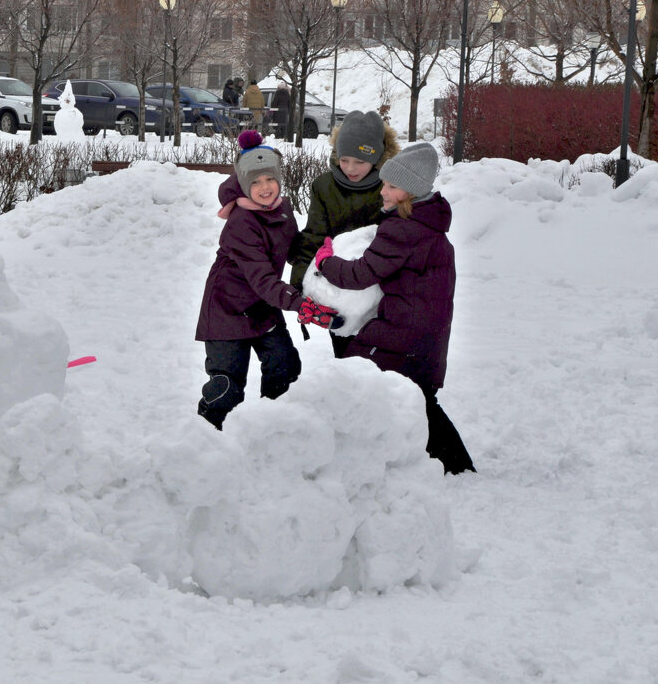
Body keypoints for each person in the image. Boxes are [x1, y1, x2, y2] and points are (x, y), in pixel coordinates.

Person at [311, 142, 475, 474]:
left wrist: (325, 261)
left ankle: (449, 466)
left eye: (392, 186)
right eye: (384, 183)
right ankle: (454, 464)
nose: (383, 192)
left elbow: (359, 274)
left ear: (411, 192)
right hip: (423, 336)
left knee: (356, 378)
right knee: (418, 398)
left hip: (404, 335)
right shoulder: (429, 225)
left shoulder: (403, 230)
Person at [195, 130, 338, 430]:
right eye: (255, 182)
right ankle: (206, 443)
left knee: (284, 367)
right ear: (245, 185)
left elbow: (292, 249)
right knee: (227, 387)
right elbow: (262, 278)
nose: (265, 188)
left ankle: (270, 430)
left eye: (270, 179)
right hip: (227, 310)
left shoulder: (283, 209)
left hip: (262, 305)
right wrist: (301, 305)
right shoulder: (241, 223)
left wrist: (321, 255)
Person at [289, 109, 399, 356]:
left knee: (381, 359)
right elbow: (314, 235)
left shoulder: (389, 188)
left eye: (360, 161)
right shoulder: (324, 187)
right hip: (339, 288)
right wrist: (298, 287)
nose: (350, 168)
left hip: (381, 286)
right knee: (347, 354)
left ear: (378, 158)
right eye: (345, 159)